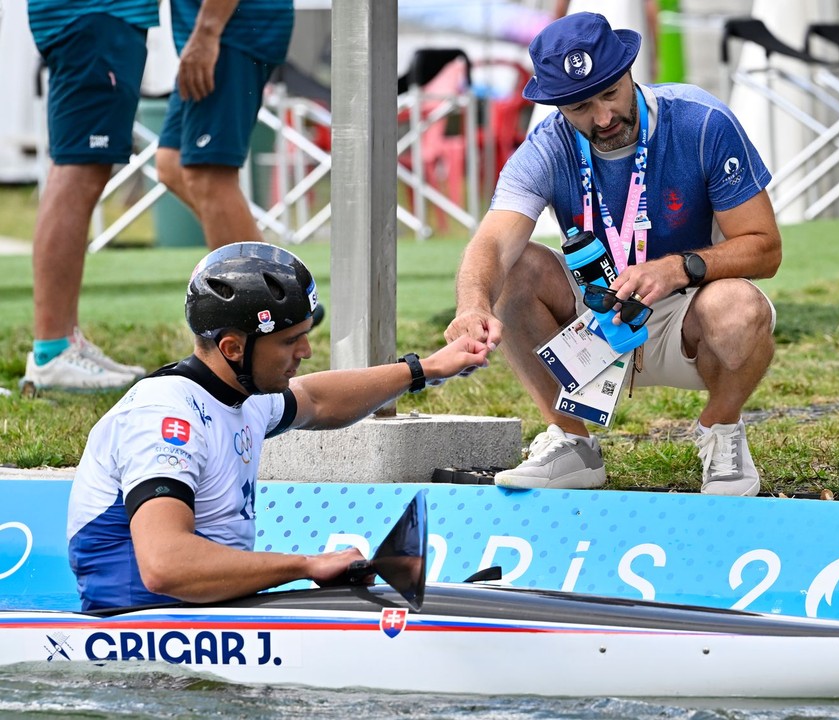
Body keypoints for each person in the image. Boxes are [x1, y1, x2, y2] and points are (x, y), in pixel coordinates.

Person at [444, 12, 782, 496]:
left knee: (740, 309)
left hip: (689, 309)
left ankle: (721, 429)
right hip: (598, 313)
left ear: (629, 73)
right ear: (556, 105)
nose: (602, 117)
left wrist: (680, 267)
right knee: (516, 272)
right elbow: (493, 243)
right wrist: (472, 304)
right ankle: (573, 443)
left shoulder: (701, 120)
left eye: (609, 93)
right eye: (581, 106)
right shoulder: (546, 147)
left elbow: (765, 248)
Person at [67, 241, 491, 611]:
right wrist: (305, 565)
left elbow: (320, 399)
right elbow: (166, 566)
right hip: (138, 635)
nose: (306, 351)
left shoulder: (243, 396)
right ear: (233, 347)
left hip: (204, 617)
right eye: (290, 340)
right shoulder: (163, 418)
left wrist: (426, 368)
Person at [21, 0, 158, 393]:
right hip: (93, 14)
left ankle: (63, 340)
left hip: (97, 16)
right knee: (77, 169)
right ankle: (52, 350)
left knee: (83, 169)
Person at [154, 0, 292, 249]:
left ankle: (253, 286)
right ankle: (269, 276)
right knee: (172, 163)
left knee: (207, 174)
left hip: (229, 30)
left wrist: (208, 33)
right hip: (210, 31)